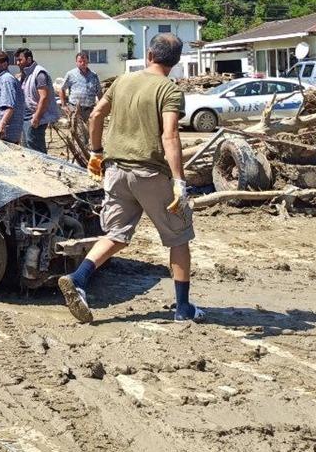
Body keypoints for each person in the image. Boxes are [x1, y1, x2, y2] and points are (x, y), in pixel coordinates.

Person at [58, 33, 202, 324]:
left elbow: (96, 114)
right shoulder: (169, 90)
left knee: (116, 235)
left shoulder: (122, 81)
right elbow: (170, 135)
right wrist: (179, 181)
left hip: (115, 171)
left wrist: (95, 151)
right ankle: (183, 308)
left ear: (149, 55)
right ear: (174, 62)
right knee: (179, 237)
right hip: (149, 173)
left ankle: (79, 278)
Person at [14, 48, 59, 153]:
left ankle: (42, 167)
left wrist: (37, 117)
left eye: (20, 60)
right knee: (27, 147)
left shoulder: (39, 73)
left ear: (29, 59)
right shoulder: (26, 74)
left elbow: (44, 97)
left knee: (36, 148)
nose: (17, 63)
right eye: (17, 60)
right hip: (26, 117)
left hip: (35, 117)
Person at [0, 51, 23, 144]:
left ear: (5, 64)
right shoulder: (2, 79)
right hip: (2, 135)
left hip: (3, 135)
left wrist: (1, 125)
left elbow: (9, 107)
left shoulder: (6, 80)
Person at [60, 52, 103, 126]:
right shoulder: (71, 74)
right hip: (75, 110)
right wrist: (64, 105)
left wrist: (102, 106)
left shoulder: (94, 75)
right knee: (80, 134)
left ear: (88, 62)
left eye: (85, 61)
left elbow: (99, 92)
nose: (83, 63)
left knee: (90, 133)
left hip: (90, 110)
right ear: (76, 62)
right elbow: (62, 89)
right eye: (80, 61)